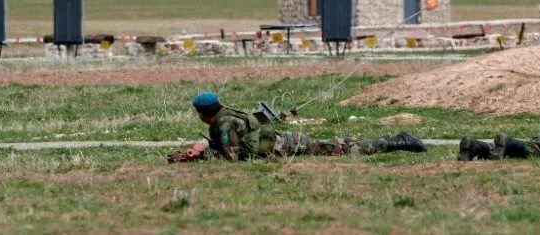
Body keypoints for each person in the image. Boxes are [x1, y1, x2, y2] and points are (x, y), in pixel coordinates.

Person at [170, 91, 428, 162]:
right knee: (338, 146)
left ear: (202, 113)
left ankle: (396, 142)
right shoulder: (228, 114)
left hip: (287, 147)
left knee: (343, 151)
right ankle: (389, 138)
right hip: (285, 142)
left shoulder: (224, 123)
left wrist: (204, 152)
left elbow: (232, 157)